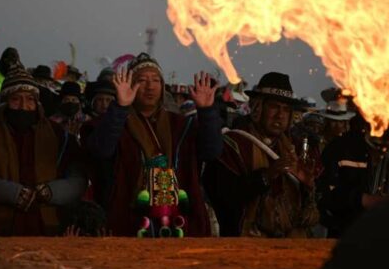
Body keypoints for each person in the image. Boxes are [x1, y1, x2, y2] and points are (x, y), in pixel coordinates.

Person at [82, 53, 222, 237]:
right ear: (131, 85)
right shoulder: (112, 122)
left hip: (179, 220)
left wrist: (206, 112)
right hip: (127, 219)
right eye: (142, 80)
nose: (150, 86)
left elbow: (211, 152)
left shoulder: (180, 125)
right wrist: (120, 107)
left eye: (156, 80)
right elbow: (101, 151)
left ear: (163, 86)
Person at [203, 72, 319, 237]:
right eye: (274, 107)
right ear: (258, 108)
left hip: (288, 249)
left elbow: (308, 215)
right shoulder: (234, 144)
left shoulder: (295, 149)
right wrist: (266, 176)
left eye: (286, 109)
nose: (280, 115)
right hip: (243, 246)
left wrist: (307, 185)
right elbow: (222, 197)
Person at [0, 63, 87, 236]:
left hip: (49, 228)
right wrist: (12, 193)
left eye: (30, 99)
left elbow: (78, 178)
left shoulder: (56, 133)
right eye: (16, 99)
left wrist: (51, 192)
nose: (24, 105)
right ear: (5, 102)